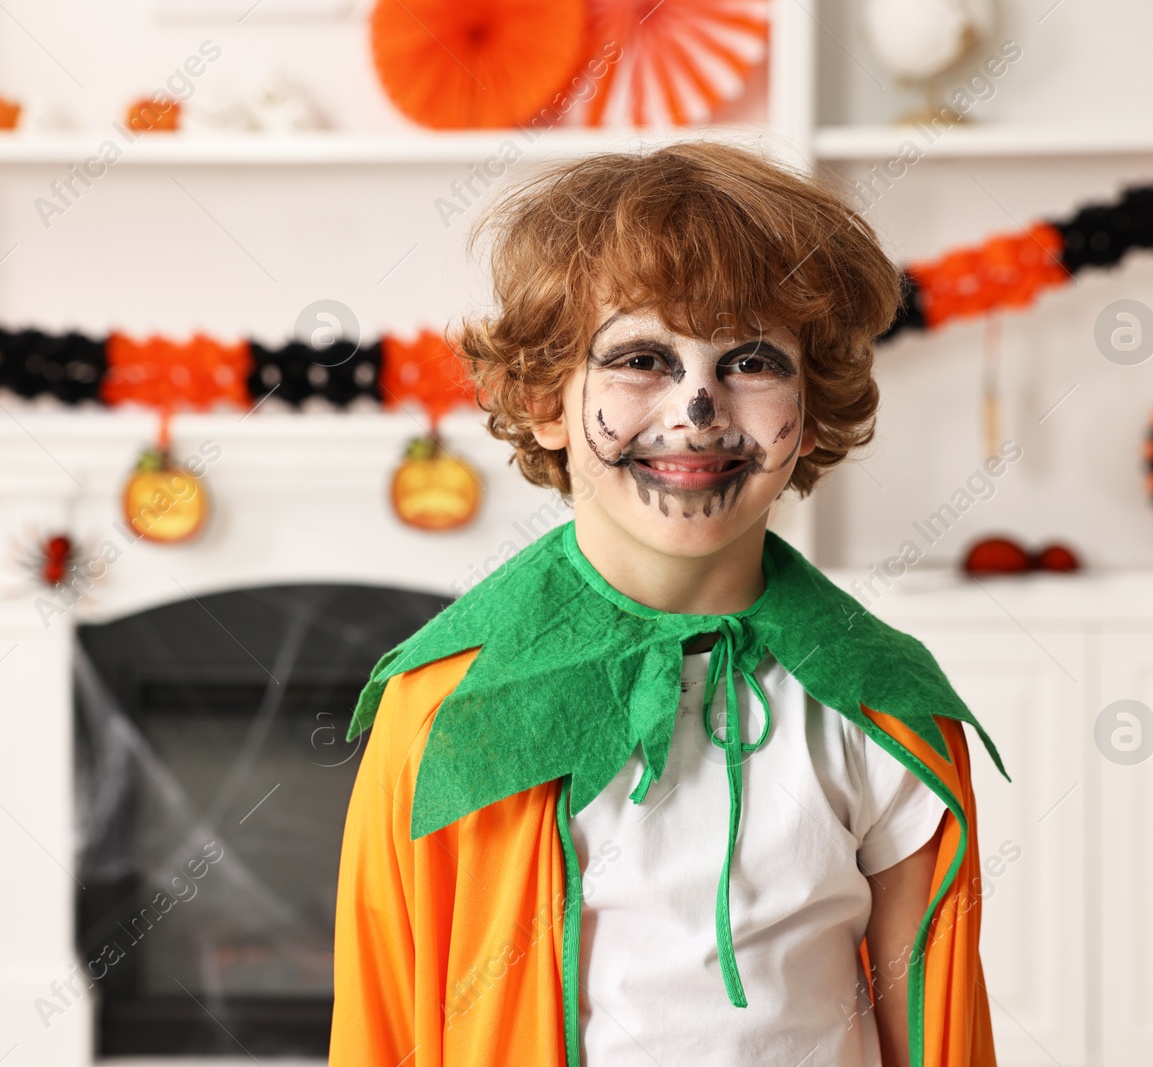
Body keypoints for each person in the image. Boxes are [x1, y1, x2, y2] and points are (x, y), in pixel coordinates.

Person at [329, 141, 1005, 1067]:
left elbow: (932, 1032)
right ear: (544, 402)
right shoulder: (446, 706)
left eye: (752, 360)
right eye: (643, 357)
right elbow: (385, 1028)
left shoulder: (882, 705)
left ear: (812, 405)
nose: (697, 407)